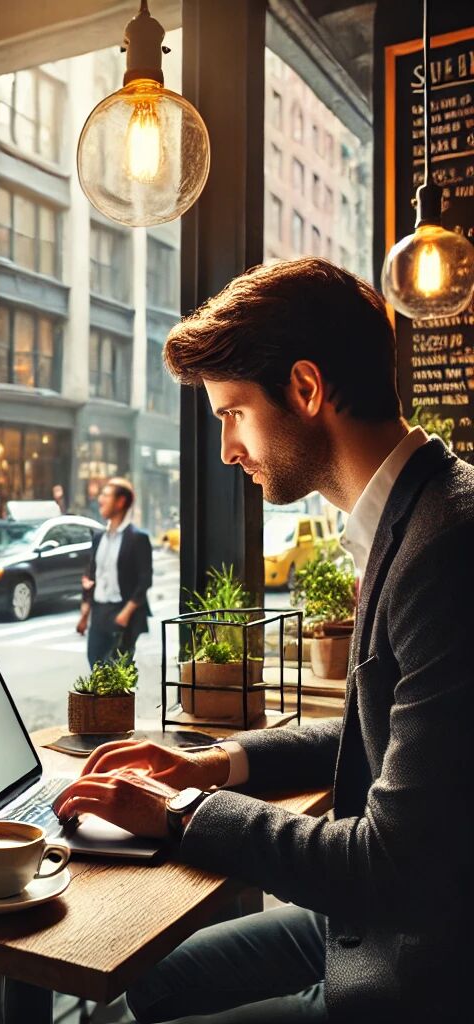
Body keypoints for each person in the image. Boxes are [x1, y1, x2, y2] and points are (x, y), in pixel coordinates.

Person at [54, 258, 474, 1022]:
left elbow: (393, 865)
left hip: (420, 969)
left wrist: (182, 811)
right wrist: (216, 762)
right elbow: (383, 734)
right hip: (378, 927)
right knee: (144, 982)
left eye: (232, 414)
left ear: (306, 390)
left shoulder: (446, 549)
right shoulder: (418, 516)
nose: (227, 450)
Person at [76, 477, 152, 666]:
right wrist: (85, 615)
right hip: (99, 612)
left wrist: (125, 614)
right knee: (95, 664)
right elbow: (92, 575)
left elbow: (145, 581)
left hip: (122, 613)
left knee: (116, 675)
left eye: (106, 495)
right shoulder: (99, 537)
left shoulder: (138, 539)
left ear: (121, 502)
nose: (100, 500)